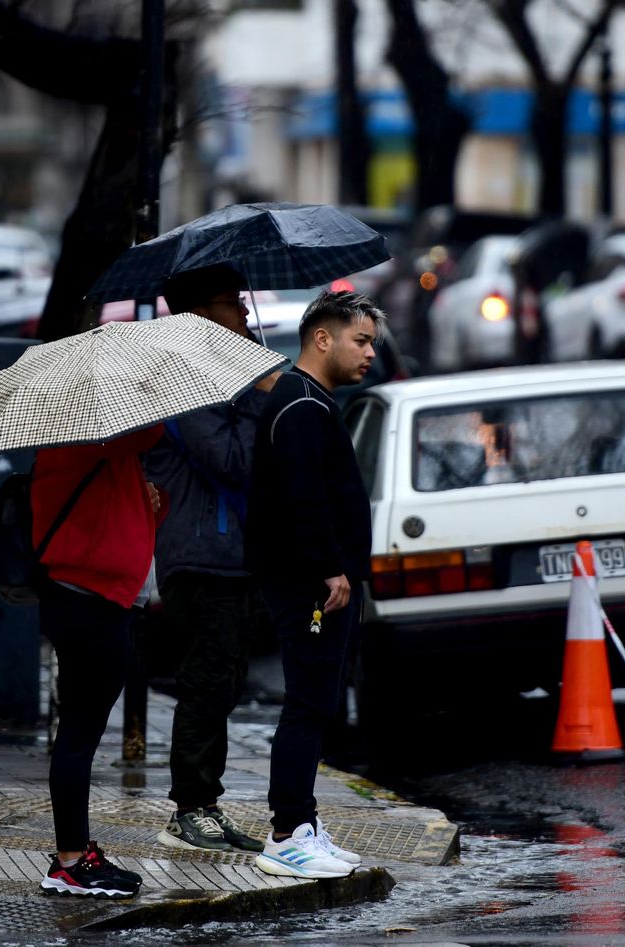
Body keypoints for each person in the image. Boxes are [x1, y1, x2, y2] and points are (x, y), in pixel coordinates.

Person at [245, 290, 384, 879]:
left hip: (315, 582)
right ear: (322, 339)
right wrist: (330, 567)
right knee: (307, 703)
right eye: (361, 340)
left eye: (372, 342)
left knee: (317, 701)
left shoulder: (308, 399)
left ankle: (303, 821)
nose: (370, 353)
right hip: (310, 586)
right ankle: (287, 836)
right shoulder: (301, 404)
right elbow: (304, 499)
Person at [145, 266, 274, 854]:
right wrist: (258, 398)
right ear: (200, 311)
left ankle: (207, 804)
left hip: (234, 556)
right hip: (202, 557)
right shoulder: (185, 378)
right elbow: (230, 460)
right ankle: (189, 808)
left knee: (224, 683)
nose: (244, 312)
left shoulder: (220, 371)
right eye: (231, 301)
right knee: (206, 683)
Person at [35, 426, 166, 899]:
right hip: (94, 601)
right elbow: (152, 430)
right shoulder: (96, 435)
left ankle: (74, 854)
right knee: (79, 734)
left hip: (84, 597)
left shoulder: (79, 439)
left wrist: (146, 500)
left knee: (78, 733)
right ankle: (71, 862)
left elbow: (110, 512)